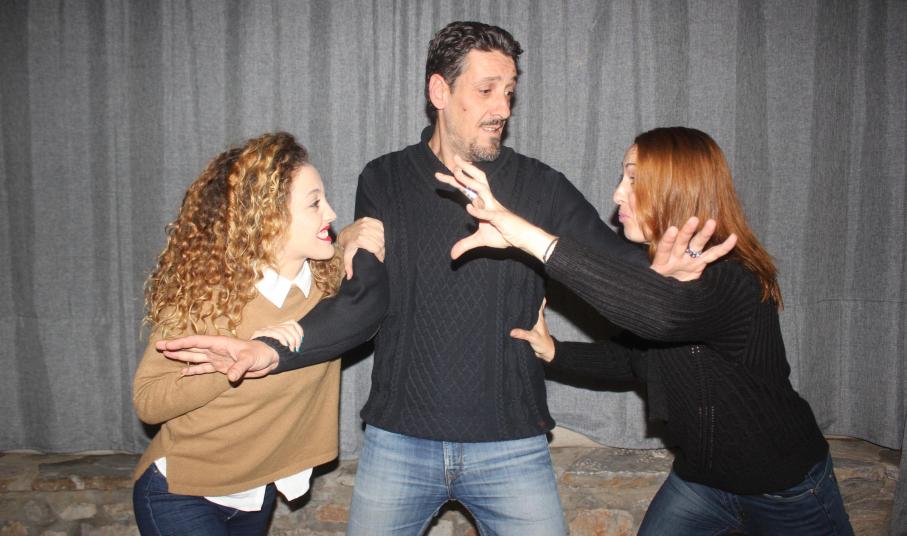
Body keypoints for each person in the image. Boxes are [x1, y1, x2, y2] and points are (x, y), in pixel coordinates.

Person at [155, 23, 720, 535]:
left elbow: (611, 259)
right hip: (399, 442)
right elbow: (364, 300)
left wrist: (670, 271)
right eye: (486, 89)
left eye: (509, 91)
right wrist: (272, 348)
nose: (502, 107)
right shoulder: (385, 178)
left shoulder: (542, 187)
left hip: (512, 444)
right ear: (439, 92)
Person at [436, 126, 854, 535]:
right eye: (622, 177)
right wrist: (555, 352)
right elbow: (636, 359)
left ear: (679, 189)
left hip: (785, 488)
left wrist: (524, 235)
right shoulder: (663, 275)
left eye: (634, 179)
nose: (618, 193)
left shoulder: (734, 278)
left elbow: (663, 316)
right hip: (702, 481)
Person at [132, 132, 385, 535]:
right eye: (315, 203)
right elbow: (148, 401)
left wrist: (351, 236)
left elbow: (363, 279)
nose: (331, 212)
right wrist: (229, 366)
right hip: (181, 492)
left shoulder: (328, 284)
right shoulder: (207, 296)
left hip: (256, 495)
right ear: (268, 217)